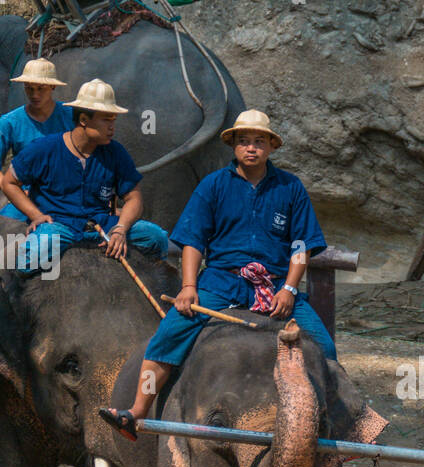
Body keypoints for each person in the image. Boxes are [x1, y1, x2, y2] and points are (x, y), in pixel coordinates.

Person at [101, 109, 331, 440]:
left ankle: (335, 428)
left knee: (323, 346)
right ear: (234, 146)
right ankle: (136, 412)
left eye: (259, 142)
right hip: (222, 281)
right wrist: (189, 287)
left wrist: (290, 291)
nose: (251, 148)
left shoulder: (290, 187)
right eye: (244, 142)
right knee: (170, 332)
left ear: (271, 147)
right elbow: (193, 240)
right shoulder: (213, 186)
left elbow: (301, 246)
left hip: (275, 284)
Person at [0, 78, 169, 270]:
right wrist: (36, 215)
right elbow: (9, 182)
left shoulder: (115, 152)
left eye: (114, 120)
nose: (112, 127)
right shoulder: (44, 148)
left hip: (103, 224)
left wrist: (120, 229)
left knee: (156, 238)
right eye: (106, 120)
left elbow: (134, 198)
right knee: (29, 260)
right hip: (58, 225)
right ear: (83, 120)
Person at [0, 57, 73, 219]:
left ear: (53, 86)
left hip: (67, 194)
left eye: (40, 88)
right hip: (29, 197)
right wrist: (15, 192)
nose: (34, 94)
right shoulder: (9, 122)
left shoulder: (70, 117)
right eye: (29, 89)